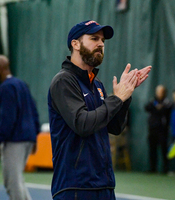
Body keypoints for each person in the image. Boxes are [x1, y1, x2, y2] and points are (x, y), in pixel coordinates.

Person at [48, 20, 151, 200]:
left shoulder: (97, 85)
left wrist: (125, 97)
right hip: (76, 187)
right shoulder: (64, 81)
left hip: (104, 185)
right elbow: (83, 124)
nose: (101, 44)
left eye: (103, 40)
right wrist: (117, 98)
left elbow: (114, 128)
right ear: (75, 44)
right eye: (94, 38)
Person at [0, 55, 40, 200]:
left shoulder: (6, 87)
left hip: (14, 140)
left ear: (0, 68)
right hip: (27, 139)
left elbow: (8, 118)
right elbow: (33, 110)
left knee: (12, 181)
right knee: (17, 179)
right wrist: (35, 136)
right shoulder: (21, 84)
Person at [145, 85, 172, 174]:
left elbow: (164, 110)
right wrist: (156, 108)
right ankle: (153, 168)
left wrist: (157, 109)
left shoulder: (167, 102)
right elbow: (147, 107)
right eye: (158, 92)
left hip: (162, 130)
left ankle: (165, 169)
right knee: (152, 149)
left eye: (161, 92)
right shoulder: (153, 101)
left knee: (164, 150)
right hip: (152, 129)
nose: (160, 94)